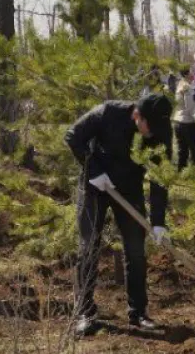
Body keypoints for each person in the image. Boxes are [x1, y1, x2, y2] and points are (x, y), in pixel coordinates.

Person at [65, 93, 174, 336]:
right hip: (95, 186)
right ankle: (85, 311)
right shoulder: (107, 113)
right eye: (149, 126)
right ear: (137, 115)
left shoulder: (161, 132)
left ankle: (138, 313)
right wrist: (93, 170)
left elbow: (160, 177)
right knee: (89, 246)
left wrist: (158, 222)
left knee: (136, 250)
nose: (153, 133)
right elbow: (73, 136)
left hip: (129, 189)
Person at [173, 68, 195, 170]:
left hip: (178, 121)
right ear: (186, 75)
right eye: (191, 71)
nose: (193, 74)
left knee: (182, 149)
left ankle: (181, 171)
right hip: (188, 123)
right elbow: (191, 108)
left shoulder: (180, 85)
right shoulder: (187, 87)